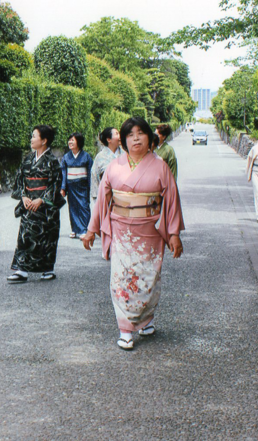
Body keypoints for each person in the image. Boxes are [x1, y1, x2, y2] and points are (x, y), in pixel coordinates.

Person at [83, 117, 185, 350]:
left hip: (149, 233)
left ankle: (145, 319)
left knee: (149, 279)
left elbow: (171, 201)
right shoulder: (114, 166)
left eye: (140, 133)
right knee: (122, 279)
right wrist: (91, 230)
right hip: (121, 232)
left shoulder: (160, 167)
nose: (135, 138)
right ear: (125, 141)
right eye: (130, 134)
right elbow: (102, 200)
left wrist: (174, 234)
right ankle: (126, 329)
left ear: (150, 139)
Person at [8, 125, 66, 283]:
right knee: (25, 236)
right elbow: (20, 180)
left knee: (47, 237)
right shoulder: (28, 159)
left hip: (45, 207)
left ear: (44, 141)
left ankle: (47, 269)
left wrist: (41, 199)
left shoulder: (52, 162)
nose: (31, 139)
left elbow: (55, 184)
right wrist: (24, 197)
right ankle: (22, 269)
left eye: (34, 136)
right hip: (29, 204)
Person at [61, 132, 93, 239]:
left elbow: (90, 173)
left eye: (72, 140)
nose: (70, 142)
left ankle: (84, 229)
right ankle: (74, 229)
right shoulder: (66, 157)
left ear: (79, 142)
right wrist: (63, 187)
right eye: (69, 140)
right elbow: (63, 173)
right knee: (73, 207)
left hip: (83, 186)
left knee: (84, 206)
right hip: (71, 186)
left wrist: (91, 187)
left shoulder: (86, 156)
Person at [91, 127, 123, 202]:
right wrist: (95, 196)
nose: (119, 136)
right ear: (109, 139)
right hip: (106, 195)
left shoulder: (125, 154)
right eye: (116, 134)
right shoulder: (100, 157)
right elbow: (94, 175)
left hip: (124, 195)